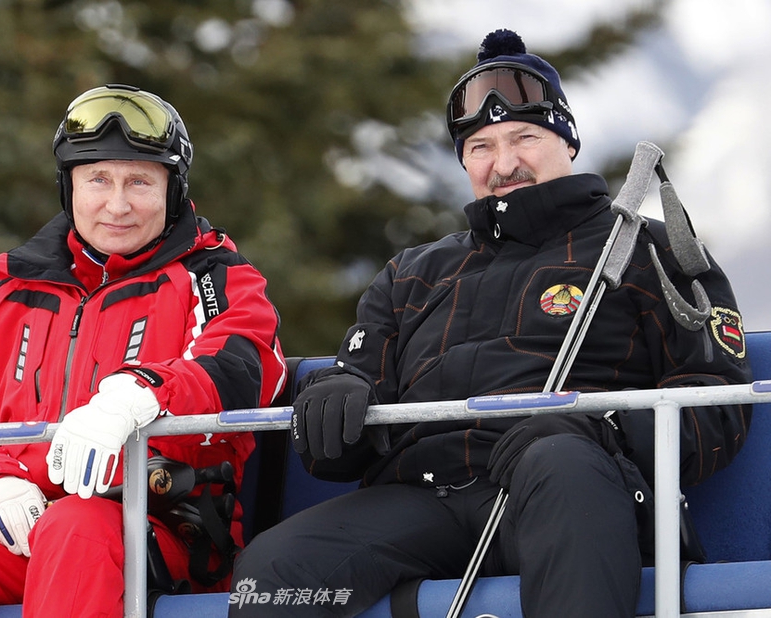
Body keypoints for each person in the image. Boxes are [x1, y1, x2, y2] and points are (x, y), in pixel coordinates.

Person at [229, 29, 753, 618]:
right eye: (480, 147)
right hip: (425, 497)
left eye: (524, 137)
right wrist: (335, 398)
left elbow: (717, 401)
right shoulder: (414, 273)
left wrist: (600, 432)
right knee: (275, 572)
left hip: (575, 489)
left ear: (567, 143)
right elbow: (352, 407)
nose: (504, 163)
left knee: (560, 463)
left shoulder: (640, 250)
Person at [0, 84, 287, 617]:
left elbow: (242, 366)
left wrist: (141, 394)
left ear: (172, 191)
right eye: (98, 180)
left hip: (154, 526)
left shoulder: (211, 277)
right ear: (69, 187)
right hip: (23, 526)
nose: (117, 204)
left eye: (139, 182)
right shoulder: (13, 293)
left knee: (76, 524)